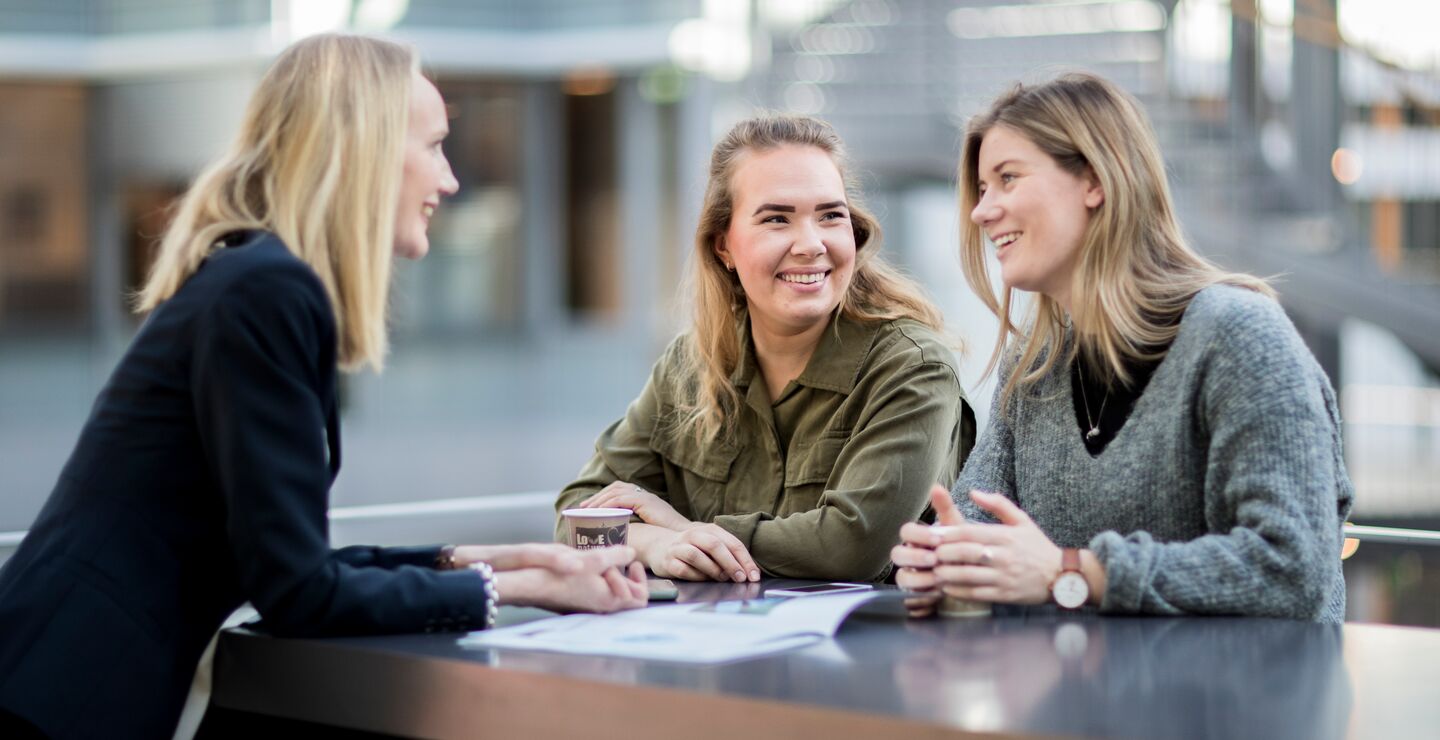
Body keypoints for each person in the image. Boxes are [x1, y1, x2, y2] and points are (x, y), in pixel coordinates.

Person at [0, 34, 645, 740]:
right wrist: (521, 588)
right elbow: (300, 593)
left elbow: (289, 562)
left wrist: (506, 559)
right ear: (363, 152)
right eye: (432, 146)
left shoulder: (257, 280)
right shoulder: (267, 290)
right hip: (55, 697)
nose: (450, 180)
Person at [891, 72, 1353, 621]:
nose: (981, 211)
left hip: (1241, 702)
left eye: (1007, 178)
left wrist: (1074, 573)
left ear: (1095, 181)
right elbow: (974, 523)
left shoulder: (1239, 335)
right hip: (1083, 698)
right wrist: (945, 559)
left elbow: (1290, 566)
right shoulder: (1035, 367)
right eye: (982, 189)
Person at [556, 114, 975, 583]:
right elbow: (578, 516)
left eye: (830, 216)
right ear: (724, 247)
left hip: (869, 650)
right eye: (777, 219)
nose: (811, 244)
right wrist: (656, 543)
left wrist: (684, 530)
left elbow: (851, 547)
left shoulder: (912, 367)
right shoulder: (691, 363)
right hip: (713, 647)